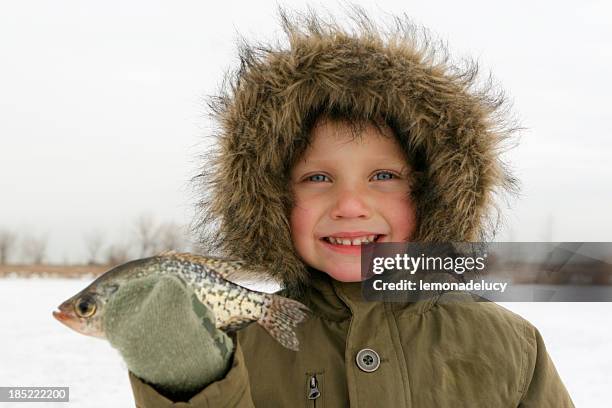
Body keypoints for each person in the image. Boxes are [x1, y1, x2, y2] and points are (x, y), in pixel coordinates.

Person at [103, 6, 575, 407]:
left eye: (384, 177)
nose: (349, 205)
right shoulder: (234, 348)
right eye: (317, 178)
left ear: (437, 195)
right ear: (269, 199)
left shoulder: (512, 344)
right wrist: (189, 381)